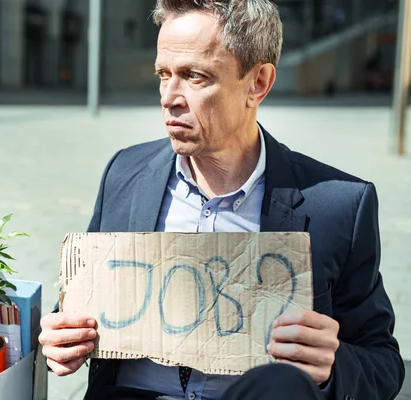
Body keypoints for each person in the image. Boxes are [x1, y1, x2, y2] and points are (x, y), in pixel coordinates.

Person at [38, 1, 406, 399]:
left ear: (258, 83)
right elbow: (80, 307)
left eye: (195, 76)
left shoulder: (337, 206)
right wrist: (61, 334)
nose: (169, 97)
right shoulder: (125, 174)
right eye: (164, 75)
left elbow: (383, 365)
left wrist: (332, 366)